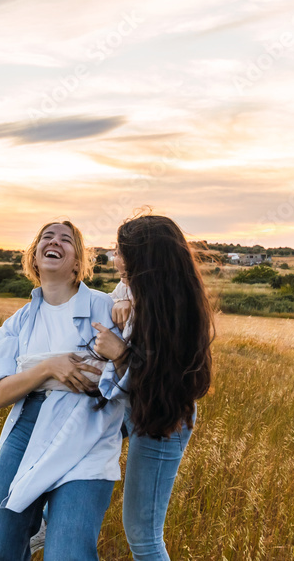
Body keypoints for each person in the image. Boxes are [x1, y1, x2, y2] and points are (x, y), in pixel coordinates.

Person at [0, 221, 126, 561]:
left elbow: (140, 372)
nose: (54, 241)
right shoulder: (17, 323)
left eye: (65, 239)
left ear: (77, 263)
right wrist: (49, 367)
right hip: (28, 426)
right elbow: (0, 394)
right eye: (47, 236)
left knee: (68, 554)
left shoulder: (107, 308)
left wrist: (121, 351)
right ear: (34, 256)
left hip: (88, 430)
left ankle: (50, 520)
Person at [92, 214, 215, 561]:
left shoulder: (174, 311)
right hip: (131, 408)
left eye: (120, 252)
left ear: (144, 261)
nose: (114, 258)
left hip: (164, 417)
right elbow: (119, 292)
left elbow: (162, 379)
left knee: (143, 535)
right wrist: (122, 299)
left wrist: (120, 354)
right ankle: (43, 525)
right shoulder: (135, 288)